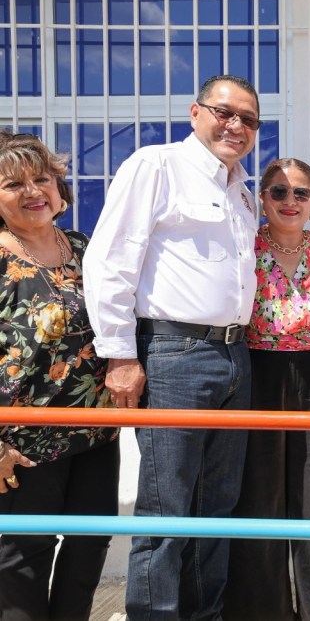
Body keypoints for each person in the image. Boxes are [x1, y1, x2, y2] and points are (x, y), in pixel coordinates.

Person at [82, 75, 261, 621]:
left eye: (249, 119)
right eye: (224, 112)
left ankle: (202, 615)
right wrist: (120, 354)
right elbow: (110, 261)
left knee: (217, 509)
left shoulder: (241, 189)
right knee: (165, 510)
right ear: (195, 112)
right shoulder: (156, 166)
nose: (236, 126)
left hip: (235, 355)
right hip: (173, 355)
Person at [223, 158, 310, 621]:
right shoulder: (242, 248)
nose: (289, 201)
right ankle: (264, 612)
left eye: (300, 193)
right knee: (258, 498)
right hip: (254, 373)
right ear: (262, 199)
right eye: (278, 191)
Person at [0, 130, 120, 621]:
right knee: (22, 559)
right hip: (20, 443)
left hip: (94, 434)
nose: (33, 192)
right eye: (14, 184)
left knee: (88, 547)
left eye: (42, 178)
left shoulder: (81, 246)